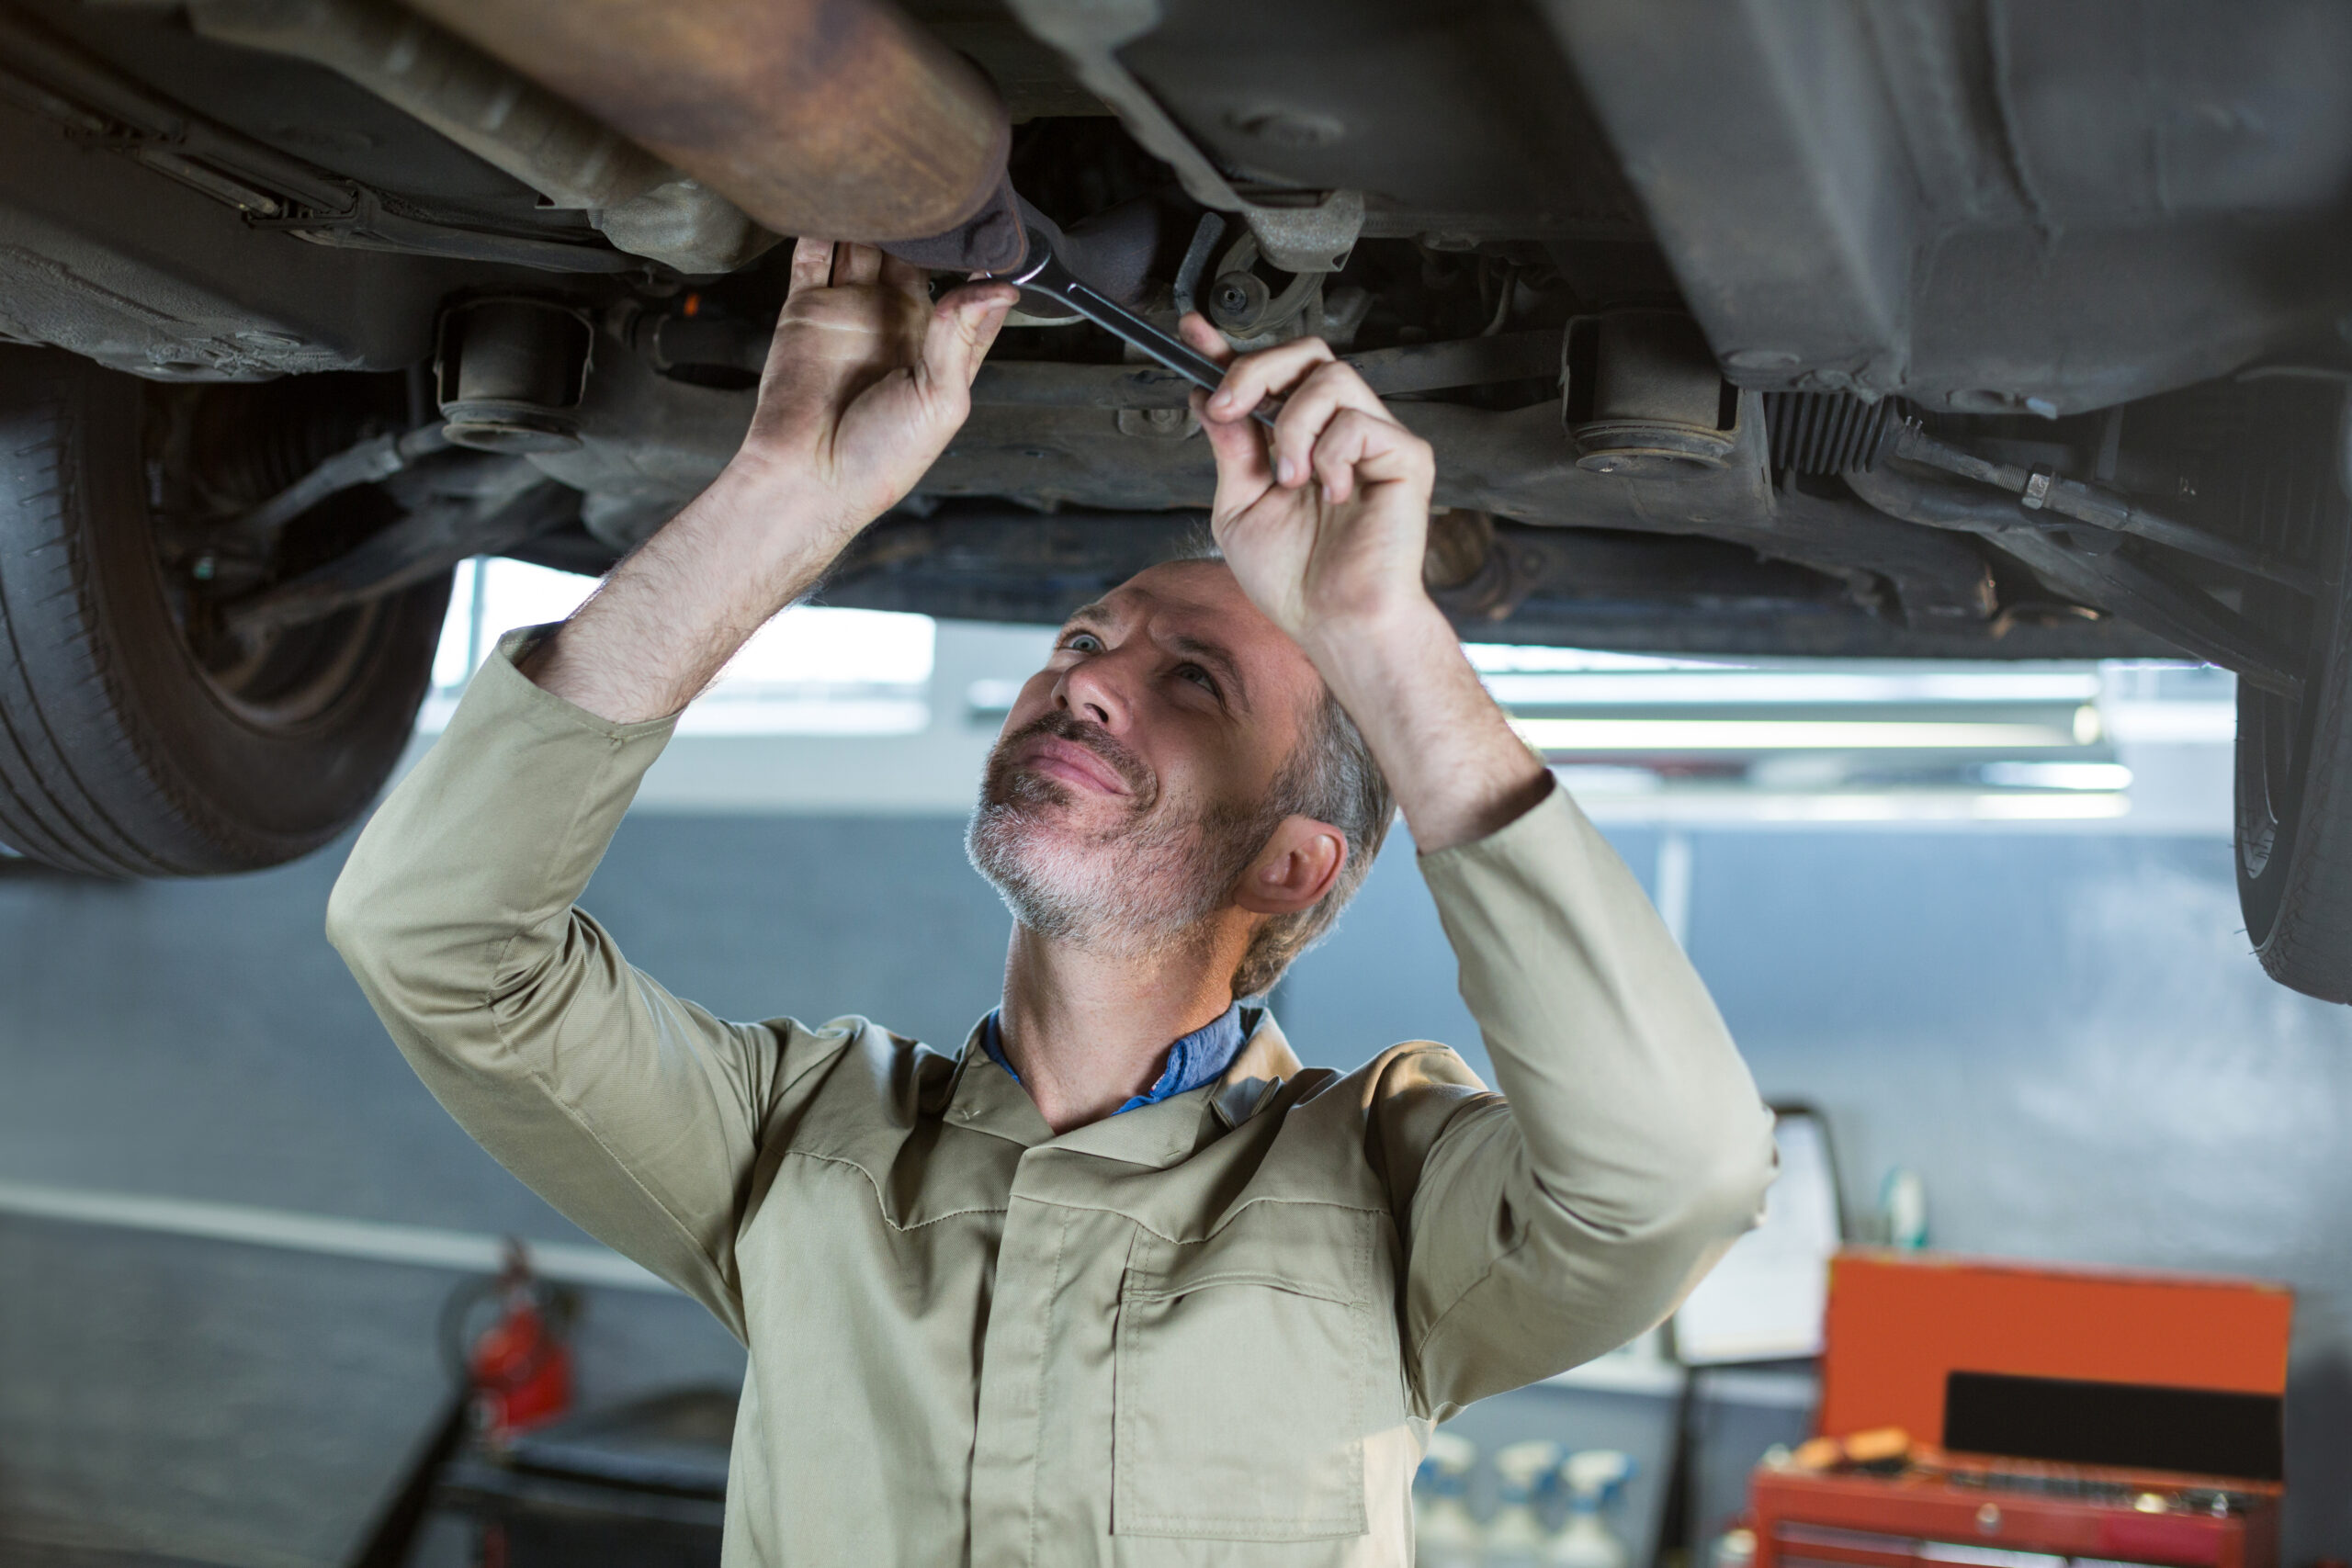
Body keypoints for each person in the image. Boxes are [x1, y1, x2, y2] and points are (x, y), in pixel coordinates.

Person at [327, 237, 1775, 1566]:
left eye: (1189, 680)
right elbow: (436, 940)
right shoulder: (797, 1147)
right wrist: (784, 493)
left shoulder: (1387, 1200)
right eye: (1088, 637)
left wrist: (1380, 634)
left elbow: (1670, 1177)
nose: (1086, 673)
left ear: (1291, 864)